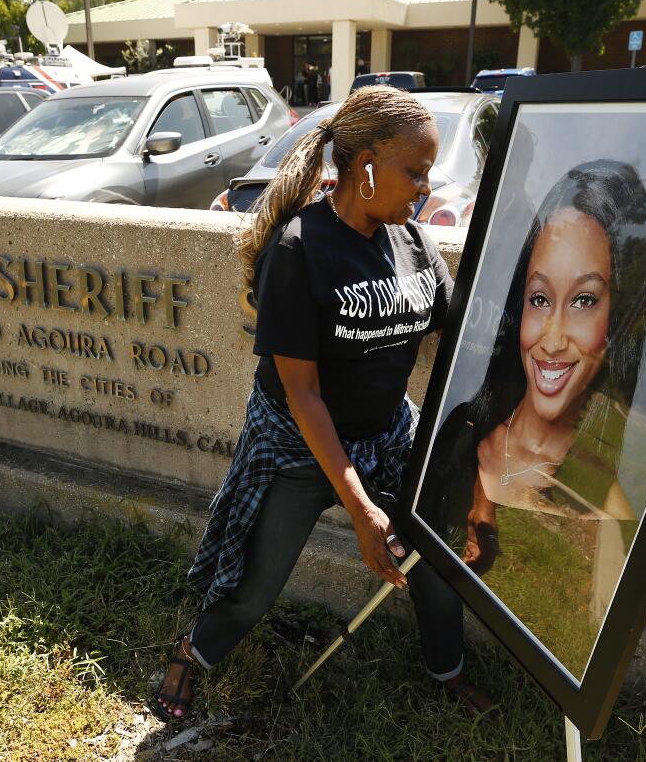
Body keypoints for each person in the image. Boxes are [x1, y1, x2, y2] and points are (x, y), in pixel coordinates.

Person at [152, 85, 491, 721]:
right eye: (414, 171)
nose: (424, 187)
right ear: (365, 167)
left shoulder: (412, 242)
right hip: (301, 445)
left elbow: (458, 329)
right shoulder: (300, 249)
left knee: (436, 556)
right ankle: (191, 655)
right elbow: (302, 393)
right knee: (254, 587)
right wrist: (361, 509)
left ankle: (446, 670)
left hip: (389, 434)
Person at [425, 160, 646, 639]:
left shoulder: (604, 508)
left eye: (585, 301)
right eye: (540, 299)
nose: (551, 339)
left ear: (619, 317)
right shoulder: (468, 433)